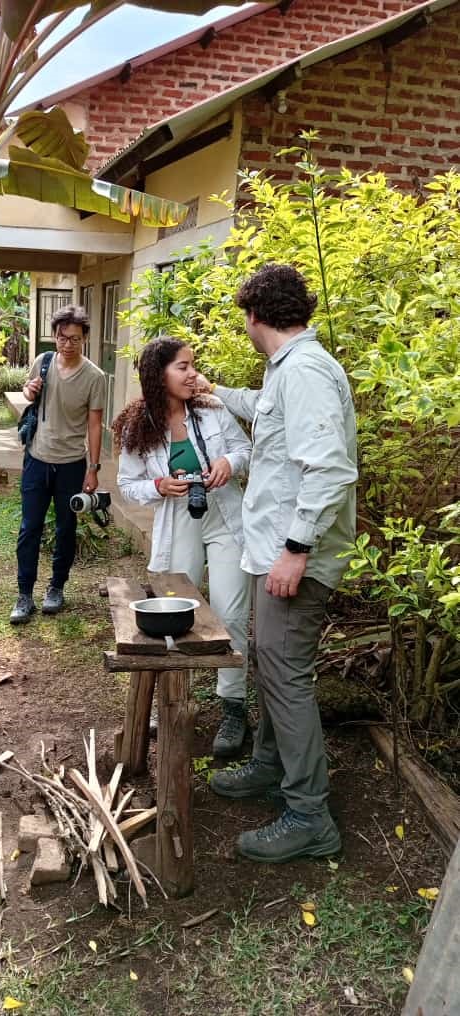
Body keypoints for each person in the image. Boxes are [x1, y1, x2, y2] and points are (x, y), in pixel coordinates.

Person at [207, 263, 358, 863]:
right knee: (270, 665)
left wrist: (296, 550)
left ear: (253, 316)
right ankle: (269, 766)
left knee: (285, 675)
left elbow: (329, 469)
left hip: (293, 557)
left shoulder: (308, 373)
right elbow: (266, 411)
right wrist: (215, 393)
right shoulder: (287, 371)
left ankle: (309, 815)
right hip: (272, 548)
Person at [114, 338, 253, 756]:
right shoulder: (139, 425)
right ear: (159, 375)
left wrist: (229, 463)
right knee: (175, 611)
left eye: (193, 365)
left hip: (225, 516)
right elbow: (126, 483)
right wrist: (158, 486)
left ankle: (233, 706)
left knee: (230, 612)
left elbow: (244, 449)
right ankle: (169, 696)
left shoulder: (212, 409)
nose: (193, 374)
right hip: (179, 520)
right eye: (183, 367)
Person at [10, 305, 105, 624]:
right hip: (37, 458)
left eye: (75, 339)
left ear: (85, 339)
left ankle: (56, 588)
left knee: (66, 529)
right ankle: (24, 594)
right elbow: (28, 391)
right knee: (29, 529)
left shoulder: (95, 377)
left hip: (72, 464)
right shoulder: (44, 361)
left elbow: (94, 424)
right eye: (62, 338)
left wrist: (93, 468)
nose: (67, 344)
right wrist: (29, 389)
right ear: (55, 336)